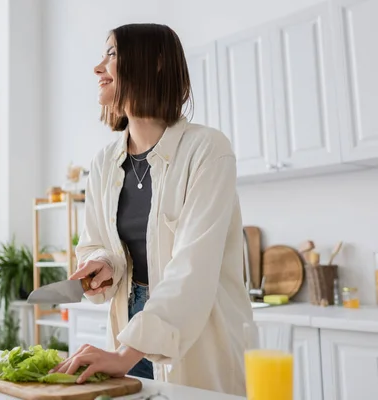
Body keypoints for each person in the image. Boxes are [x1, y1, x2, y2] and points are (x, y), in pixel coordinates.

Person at [50, 23, 253, 396]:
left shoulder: (207, 150)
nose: (98, 68)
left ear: (155, 63)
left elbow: (193, 269)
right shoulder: (104, 163)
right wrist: (104, 263)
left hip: (197, 336)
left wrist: (124, 353)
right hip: (130, 324)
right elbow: (95, 242)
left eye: (111, 54)